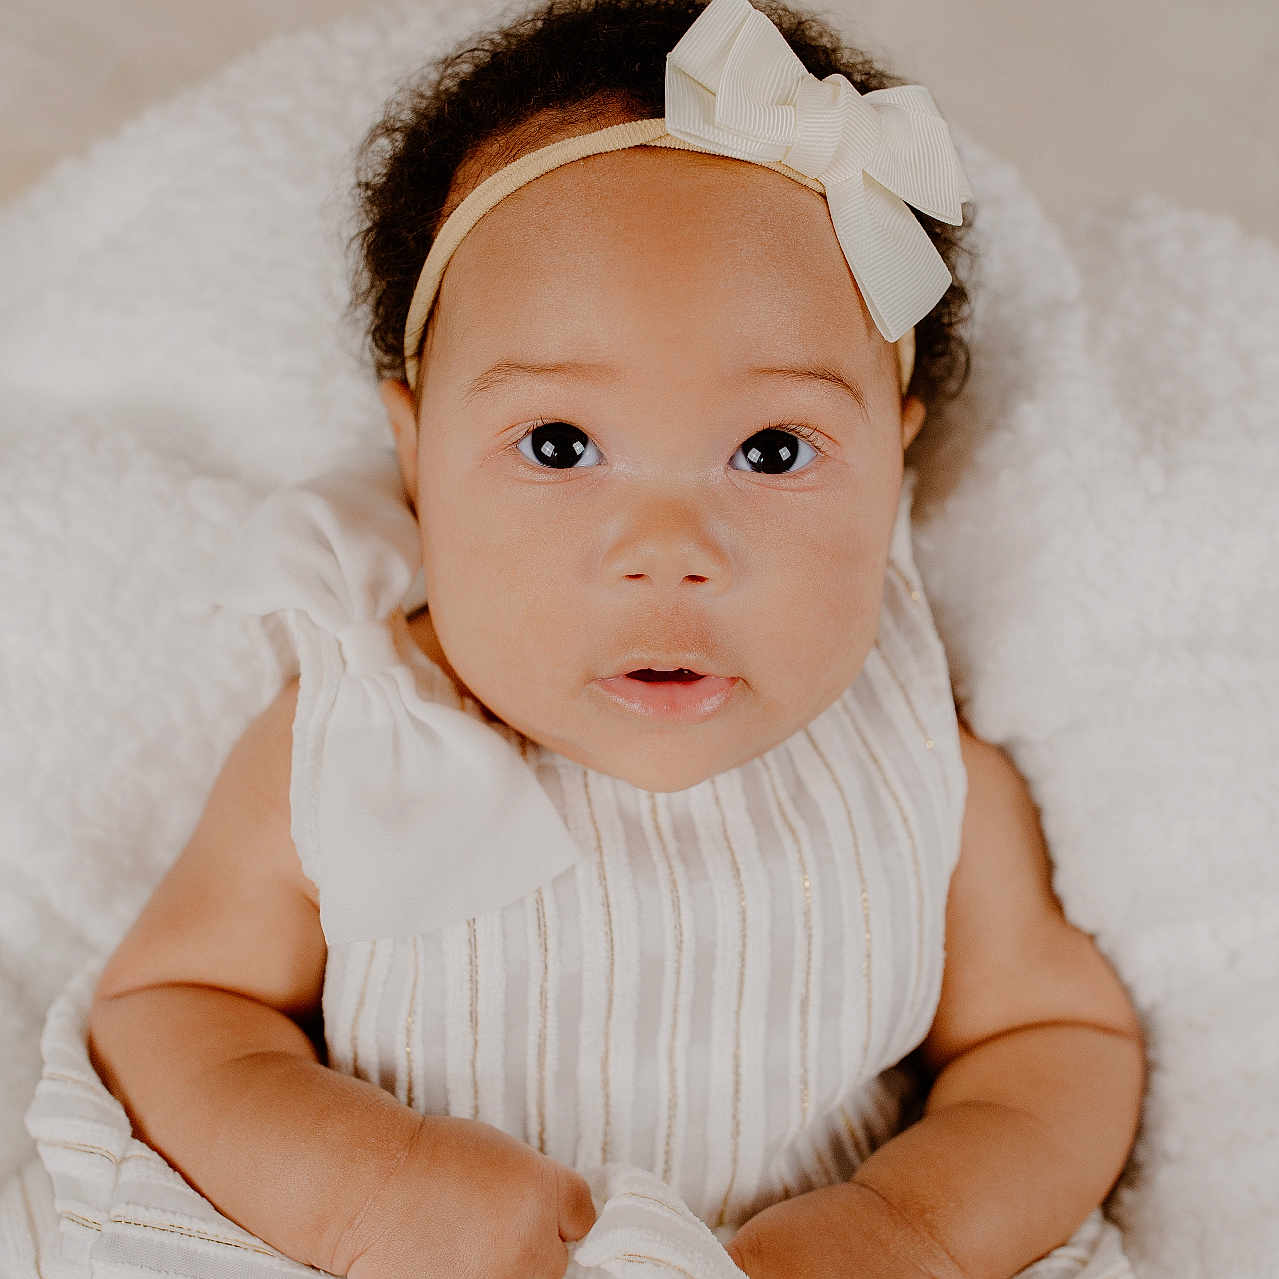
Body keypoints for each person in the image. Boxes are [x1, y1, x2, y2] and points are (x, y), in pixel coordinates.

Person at [7, 1, 1147, 1277]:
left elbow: (1050, 1043)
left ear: (896, 466)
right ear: (416, 456)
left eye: (773, 449)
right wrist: (372, 1193)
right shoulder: (357, 742)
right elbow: (173, 1007)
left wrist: (912, 1228)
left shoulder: (924, 771)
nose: (666, 547)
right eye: (559, 445)